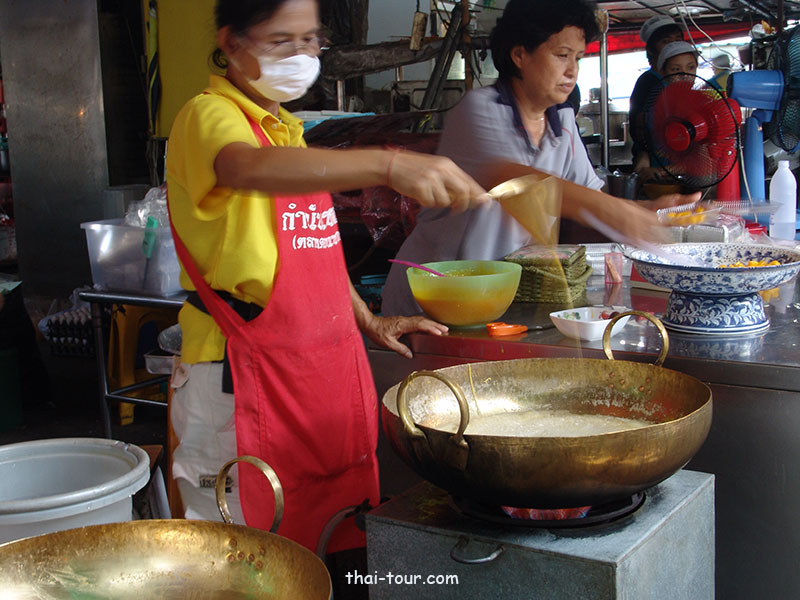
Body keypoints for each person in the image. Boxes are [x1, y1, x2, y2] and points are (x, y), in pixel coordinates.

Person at [165, 0, 489, 562]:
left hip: (318, 370)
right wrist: (388, 165)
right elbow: (243, 167)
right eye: (280, 40)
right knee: (243, 562)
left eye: (309, 40)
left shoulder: (288, 134)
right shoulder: (208, 115)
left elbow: (310, 255)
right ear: (233, 43)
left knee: (325, 543)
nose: (300, 54)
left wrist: (368, 319)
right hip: (237, 377)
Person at [382, 0, 699, 317]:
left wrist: (649, 211)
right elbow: (519, 184)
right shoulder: (479, 110)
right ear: (520, 55)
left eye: (578, 57)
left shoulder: (563, 124)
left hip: (492, 295)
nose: (572, 70)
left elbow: (592, 198)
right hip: (432, 294)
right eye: (562, 55)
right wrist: (623, 214)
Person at [633, 41, 700, 181]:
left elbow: (701, 159)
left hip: (691, 181)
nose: (684, 74)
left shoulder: (702, 105)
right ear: (662, 72)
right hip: (657, 181)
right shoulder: (654, 105)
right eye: (675, 69)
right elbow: (646, 142)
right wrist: (643, 160)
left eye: (691, 67)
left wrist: (662, 171)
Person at [628, 15, 685, 164]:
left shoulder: (678, 82)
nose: (673, 45)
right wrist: (644, 153)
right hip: (655, 161)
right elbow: (640, 123)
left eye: (678, 39)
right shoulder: (649, 82)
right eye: (666, 41)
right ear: (652, 50)